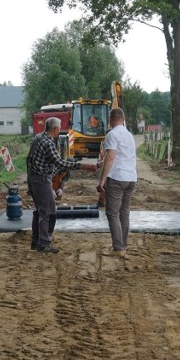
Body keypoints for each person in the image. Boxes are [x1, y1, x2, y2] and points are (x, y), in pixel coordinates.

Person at [27, 117, 97, 253]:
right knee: (48, 212)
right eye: (59, 127)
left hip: (33, 178)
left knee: (39, 211)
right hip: (41, 179)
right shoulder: (48, 143)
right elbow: (60, 163)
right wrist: (83, 165)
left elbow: (30, 159)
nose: (60, 130)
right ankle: (44, 243)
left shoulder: (37, 138)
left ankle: (36, 241)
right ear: (55, 129)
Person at [97, 108, 137, 257]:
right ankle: (123, 245)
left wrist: (102, 179)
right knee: (124, 213)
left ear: (111, 119)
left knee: (112, 213)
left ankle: (118, 248)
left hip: (117, 178)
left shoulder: (112, 135)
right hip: (131, 177)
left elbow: (111, 157)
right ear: (123, 118)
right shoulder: (129, 135)